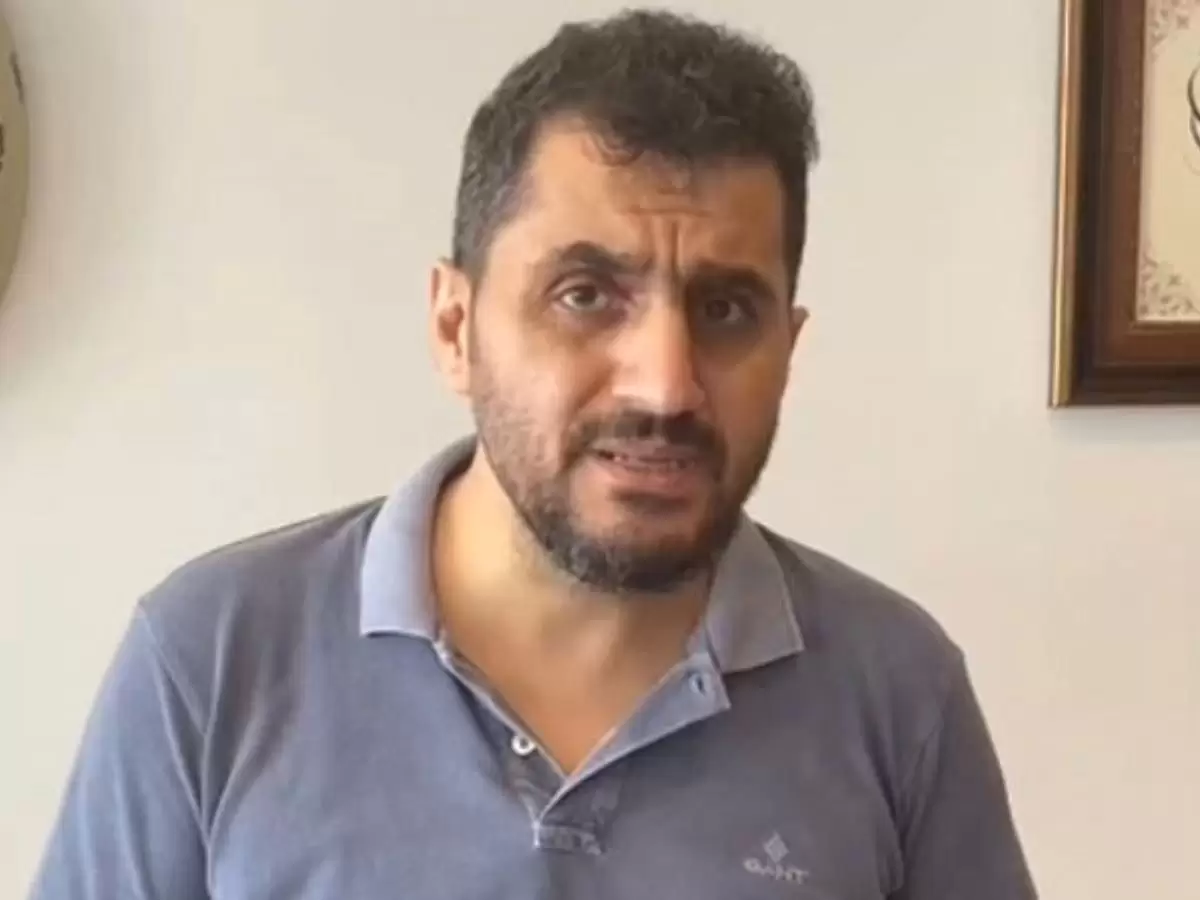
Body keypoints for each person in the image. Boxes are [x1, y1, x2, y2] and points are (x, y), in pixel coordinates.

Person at [30, 9, 1038, 899]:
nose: (665, 386)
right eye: (585, 295)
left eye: (728, 309)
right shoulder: (211, 659)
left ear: (790, 345)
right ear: (455, 327)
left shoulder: (896, 690)